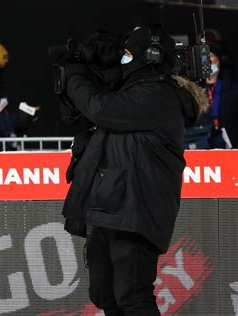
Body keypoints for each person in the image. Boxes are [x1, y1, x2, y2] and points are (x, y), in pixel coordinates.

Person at [61, 25, 206, 314]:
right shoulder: (134, 92)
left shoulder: (159, 95)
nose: (123, 61)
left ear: (150, 57)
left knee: (133, 296)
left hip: (137, 210)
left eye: (128, 55)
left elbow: (99, 107)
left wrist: (75, 74)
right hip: (110, 207)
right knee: (105, 295)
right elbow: (95, 108)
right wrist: (92, 63)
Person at [184, 28, 238, 149]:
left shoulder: (233, 86)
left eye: (211, 56)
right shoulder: (193, 88)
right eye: (203, 58)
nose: (206, 62)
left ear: (220, 60)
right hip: (203, 146)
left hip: (231, 146)